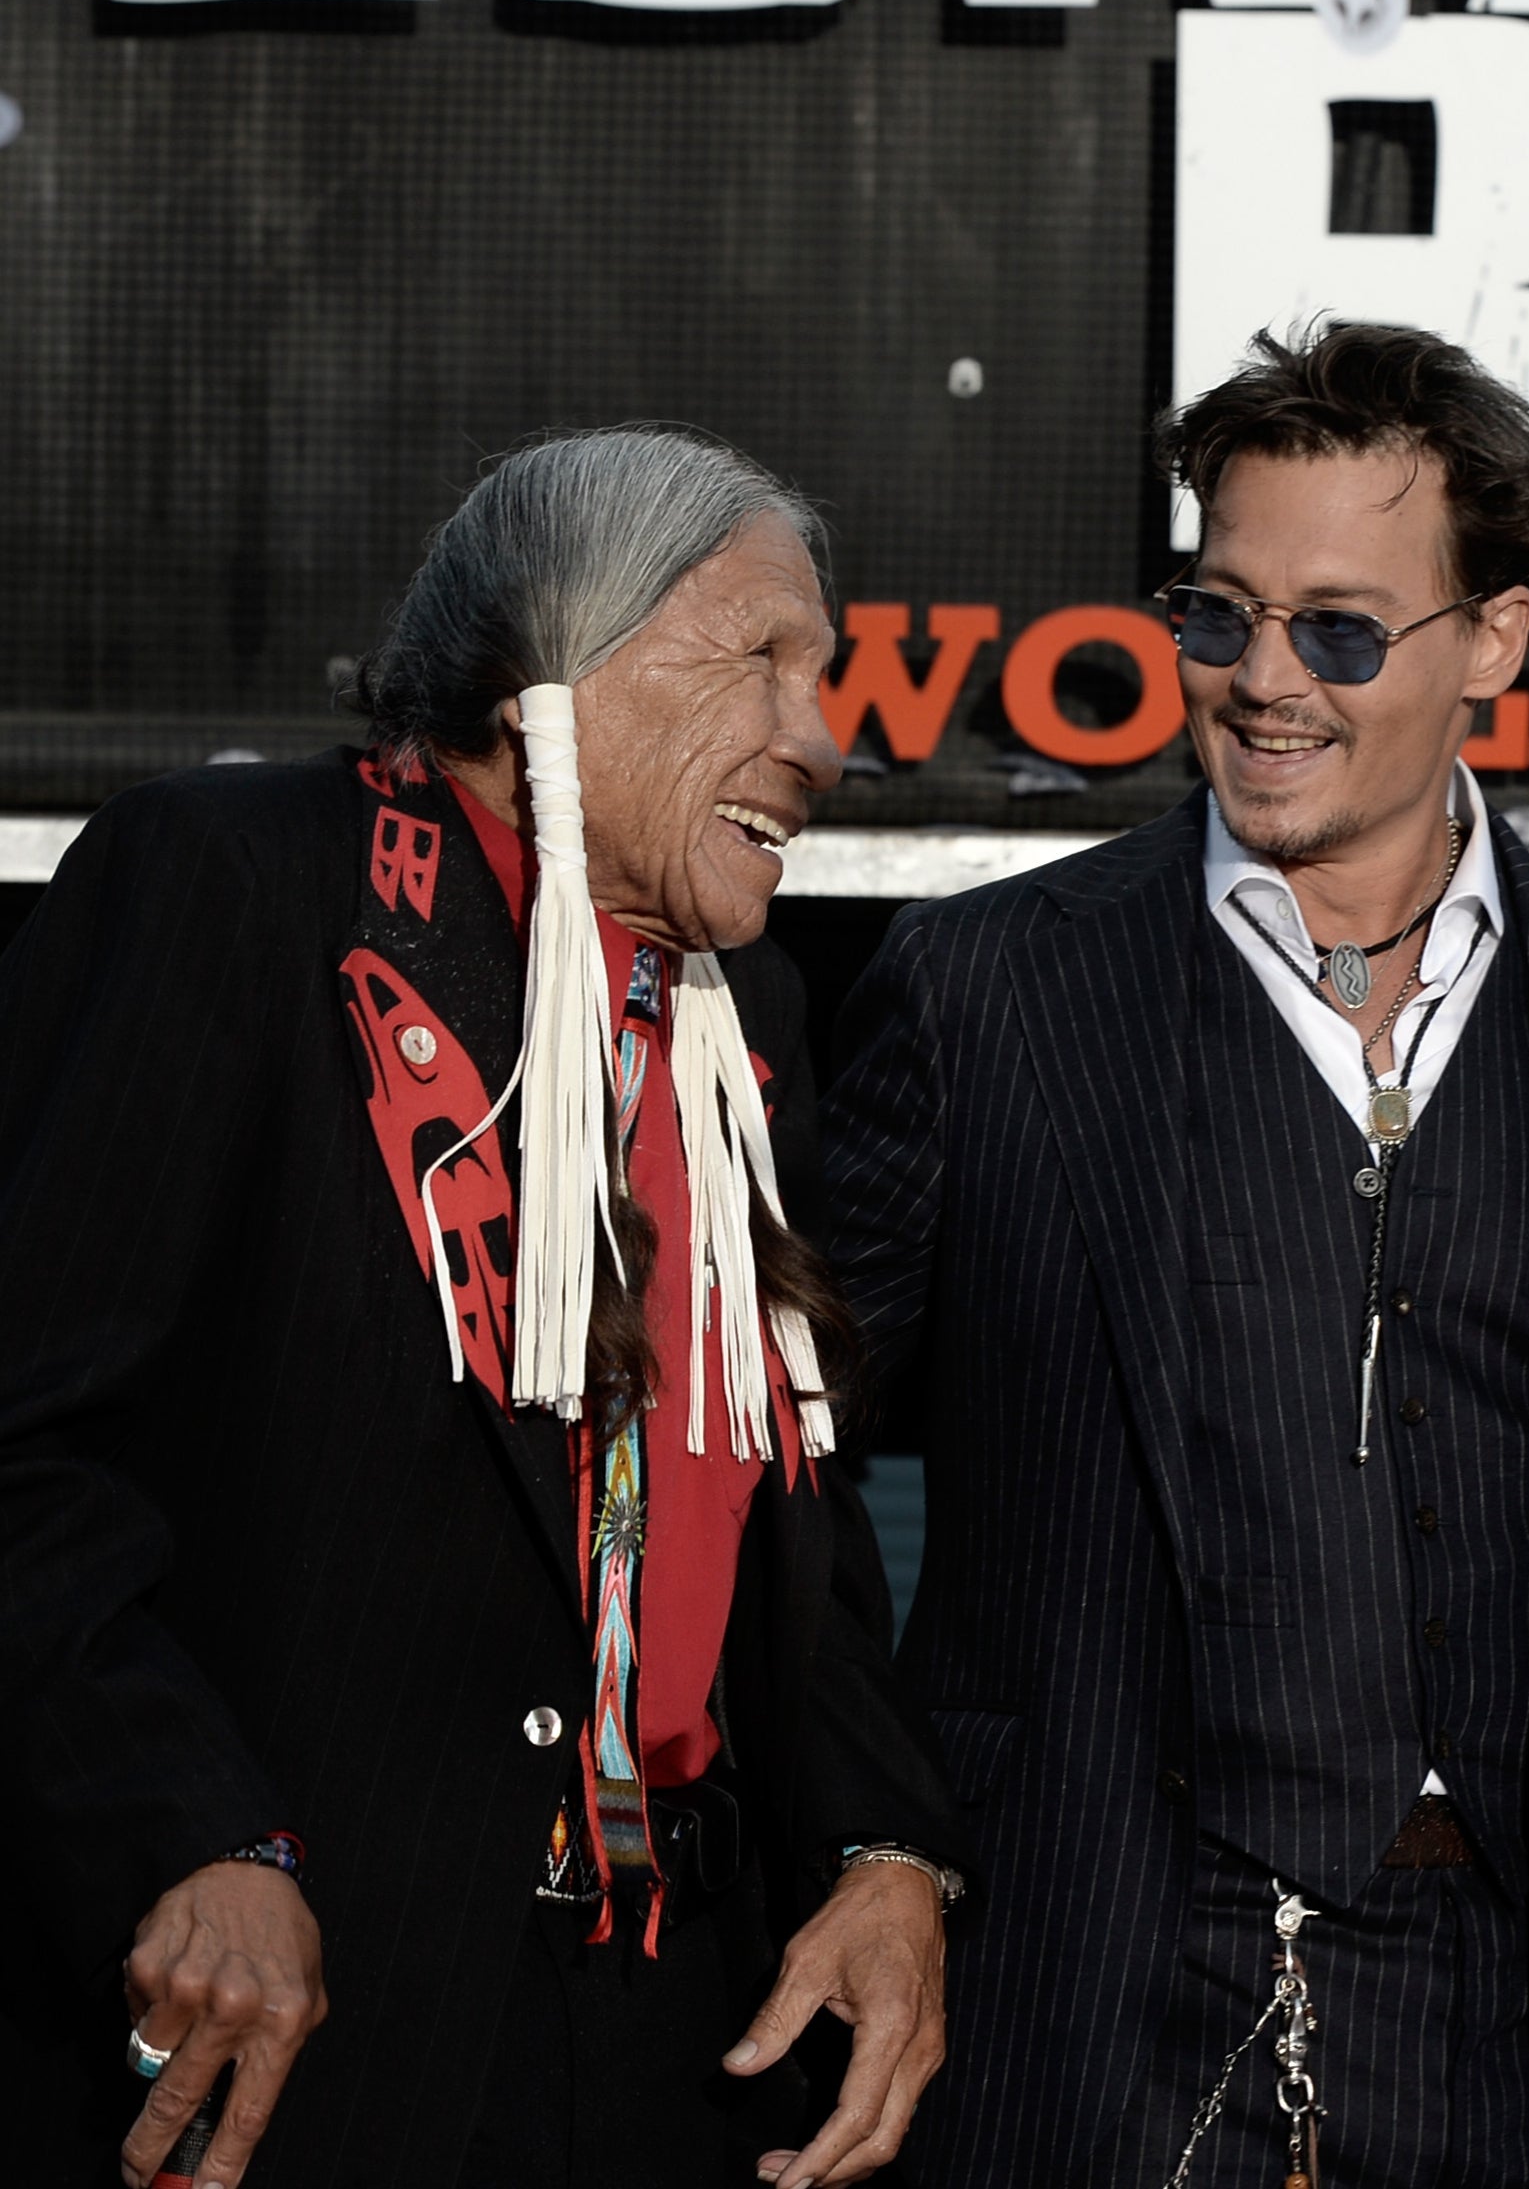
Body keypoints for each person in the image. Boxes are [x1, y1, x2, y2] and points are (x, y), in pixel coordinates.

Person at [822, 321, 1529, 2188]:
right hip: (1096, 2003)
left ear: (1494, 636)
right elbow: (783, 1465)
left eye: (1336, 629)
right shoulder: (988, 992)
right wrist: (876, 1841)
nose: (1261, 683)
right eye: (1217, 614)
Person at [0, 428, 965, 2189]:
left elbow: (796, 1510)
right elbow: (28, 1443)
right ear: (557, 663)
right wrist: (192, 1830)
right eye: (764, 657)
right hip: (303, 2020)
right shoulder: (234, 885)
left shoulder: (741, 1026)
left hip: (682, 2036)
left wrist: (886, 1846)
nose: (823, 743)